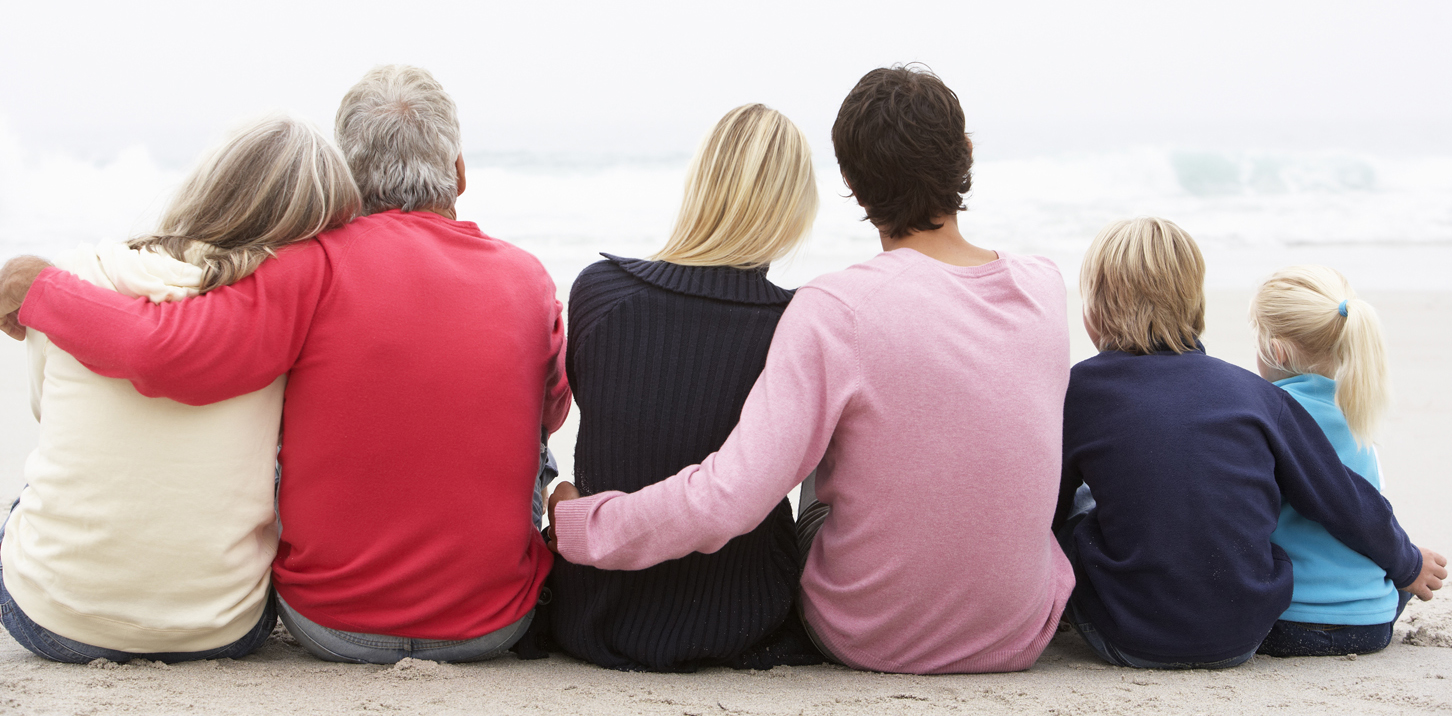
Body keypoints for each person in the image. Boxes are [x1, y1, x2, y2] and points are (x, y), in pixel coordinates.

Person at [0, 65, 570, 664]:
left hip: (329, 623)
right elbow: (552, 409)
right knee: (531, 435)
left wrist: (41, 290)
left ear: (346, 171)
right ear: (458, 171)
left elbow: (166, 354)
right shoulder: (526, 278)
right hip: (492, 626)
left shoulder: (310, 265)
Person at [548, 65, 1074, 675]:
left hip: (868, 635)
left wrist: (587, 527)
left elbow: (729, 499)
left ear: (850, 184)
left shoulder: (836, 309)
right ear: (967, 154)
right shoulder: (1045, 287)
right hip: (1021, 632)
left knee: (818, 446)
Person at [0, 114, 358, 664]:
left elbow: (48, 413)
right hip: (220, 630)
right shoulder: (292, 320)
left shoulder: (76, 274)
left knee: (35, 491)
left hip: (50, 620)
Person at [1053, 217, 1446, 670]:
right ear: (1197, 305)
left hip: (1125, 637)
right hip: (1243, 635)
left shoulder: (1076, 392)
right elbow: (1343, 496)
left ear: (1091, 314)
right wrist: (1407, 563)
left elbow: (1046, 509)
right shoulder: (1255, 395)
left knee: (1077, 508)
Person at [549, 104, 820, 671]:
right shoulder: (797, 324)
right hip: (744, 616)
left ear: (700, 185)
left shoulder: (600, 293)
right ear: (795, 211)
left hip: (596, 609)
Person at [1250, 265, 1442, 656]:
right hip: (1372, 624)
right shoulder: (1358, 416)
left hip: (1288, 623)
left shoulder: (1267, 414)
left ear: (1276, 350)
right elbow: (1370, 513)